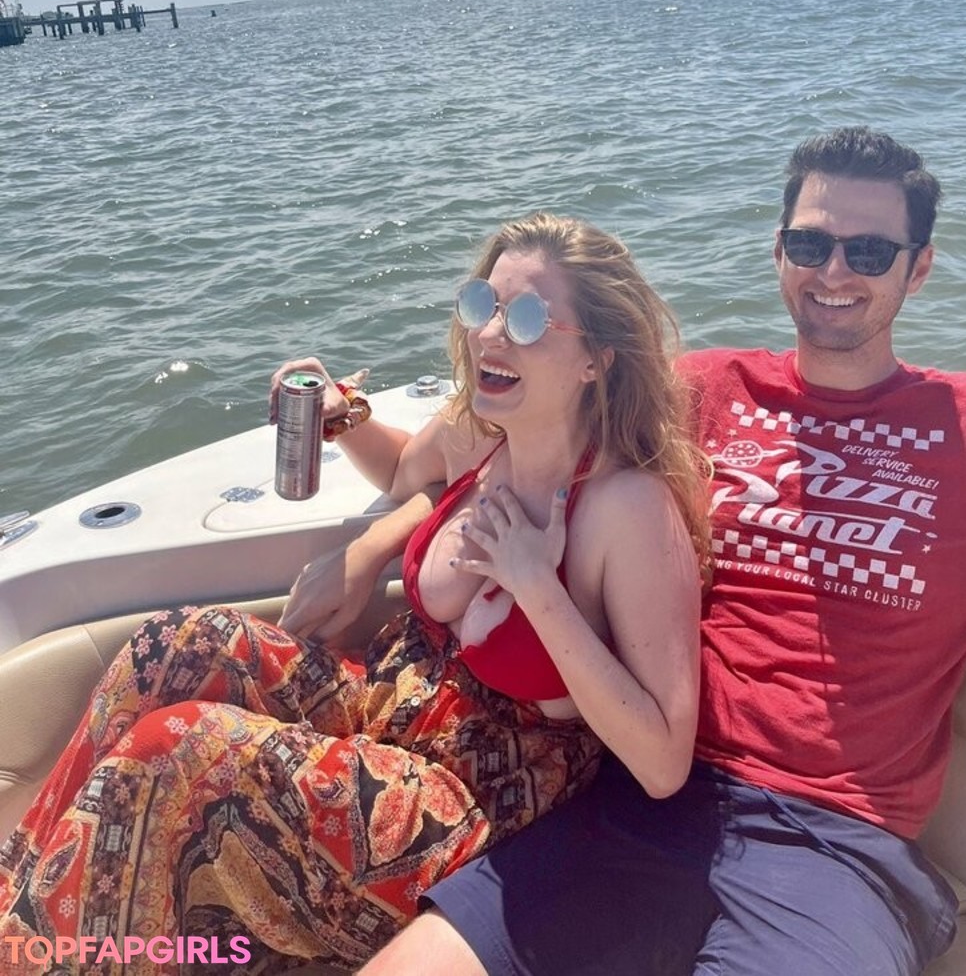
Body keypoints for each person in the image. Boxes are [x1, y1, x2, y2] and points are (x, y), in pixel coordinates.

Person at [346, 126, 966, 976]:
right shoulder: (701, 391)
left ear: (918, 269)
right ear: (778, 252)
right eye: (811, 244)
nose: (834, 271)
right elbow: (513, 448)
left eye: (871, 251)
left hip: (837, 846)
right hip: (644, 799)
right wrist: (373, 542)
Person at [0, 213, 710, 975]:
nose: (490, 335)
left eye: (528, 318)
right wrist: (343, 416)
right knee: (172, 646)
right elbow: (406, 471)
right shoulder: (485, 429)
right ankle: (20, 904)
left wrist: (537, 585)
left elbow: (662, 759)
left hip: (476, 797)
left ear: (596, 357)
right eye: (484, 304)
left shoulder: (625, 507)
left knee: (182, 751)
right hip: (387, 706)